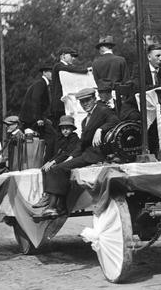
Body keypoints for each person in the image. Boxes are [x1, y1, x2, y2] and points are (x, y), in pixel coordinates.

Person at [32, 88, 120, 217]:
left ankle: (53, 206)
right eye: (82, 102)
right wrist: (72, 156)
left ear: (94, 99)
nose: (85, 104)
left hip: (96, 155)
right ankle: (57, 205)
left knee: (59, 169)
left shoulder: (102, 110)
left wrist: (101, 129)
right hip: (85, 154)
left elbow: (115, 120)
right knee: (58, 167)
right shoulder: (85, 121)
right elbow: (81, 143)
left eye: (87, 100)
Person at [19, 64, 57, 161]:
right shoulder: (41, 83)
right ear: (44, 73)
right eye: (50, 72)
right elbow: (35, 100)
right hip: (32, 119)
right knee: (53, 137)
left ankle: (43, 160)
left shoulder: (43, 84)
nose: (53, 74)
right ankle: (48, 161)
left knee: (45, 138)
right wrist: (39, 118)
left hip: (33, 118)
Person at [51, 47, 89, 126]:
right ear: (63, 56)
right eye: (71, 56)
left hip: (66, 103)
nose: (73, 58)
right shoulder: (58, 66)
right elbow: (70, 68)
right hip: (59, 104)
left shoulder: (67, 68)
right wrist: (86, 70)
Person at [92, 35, 129, 111]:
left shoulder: (96, 63)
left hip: (103, 97)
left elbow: (97, 81)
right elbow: (126, 81)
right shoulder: (121, 60)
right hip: (119, 96)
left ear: (102, 47)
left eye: (99, 47)